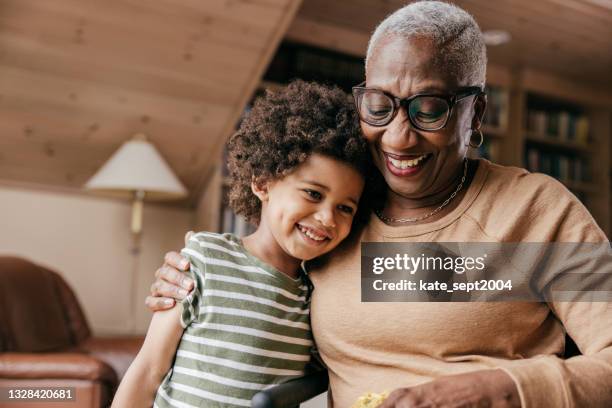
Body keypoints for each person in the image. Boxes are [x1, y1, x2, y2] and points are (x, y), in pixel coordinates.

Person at [146, 2, 612, 407]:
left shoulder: (536, 210)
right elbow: (261, 282)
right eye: (379, 105)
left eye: (429, 108)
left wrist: (500, 391)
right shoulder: (341, 215)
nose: (398, 136)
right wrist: (193, 278)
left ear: (477, 113)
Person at [112, 80, 370, 407]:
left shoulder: (315, 296)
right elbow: (149, 369)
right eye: (313, 194)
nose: (327, 218)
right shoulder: (204, 258)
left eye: (345, 208)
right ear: (262, 183)